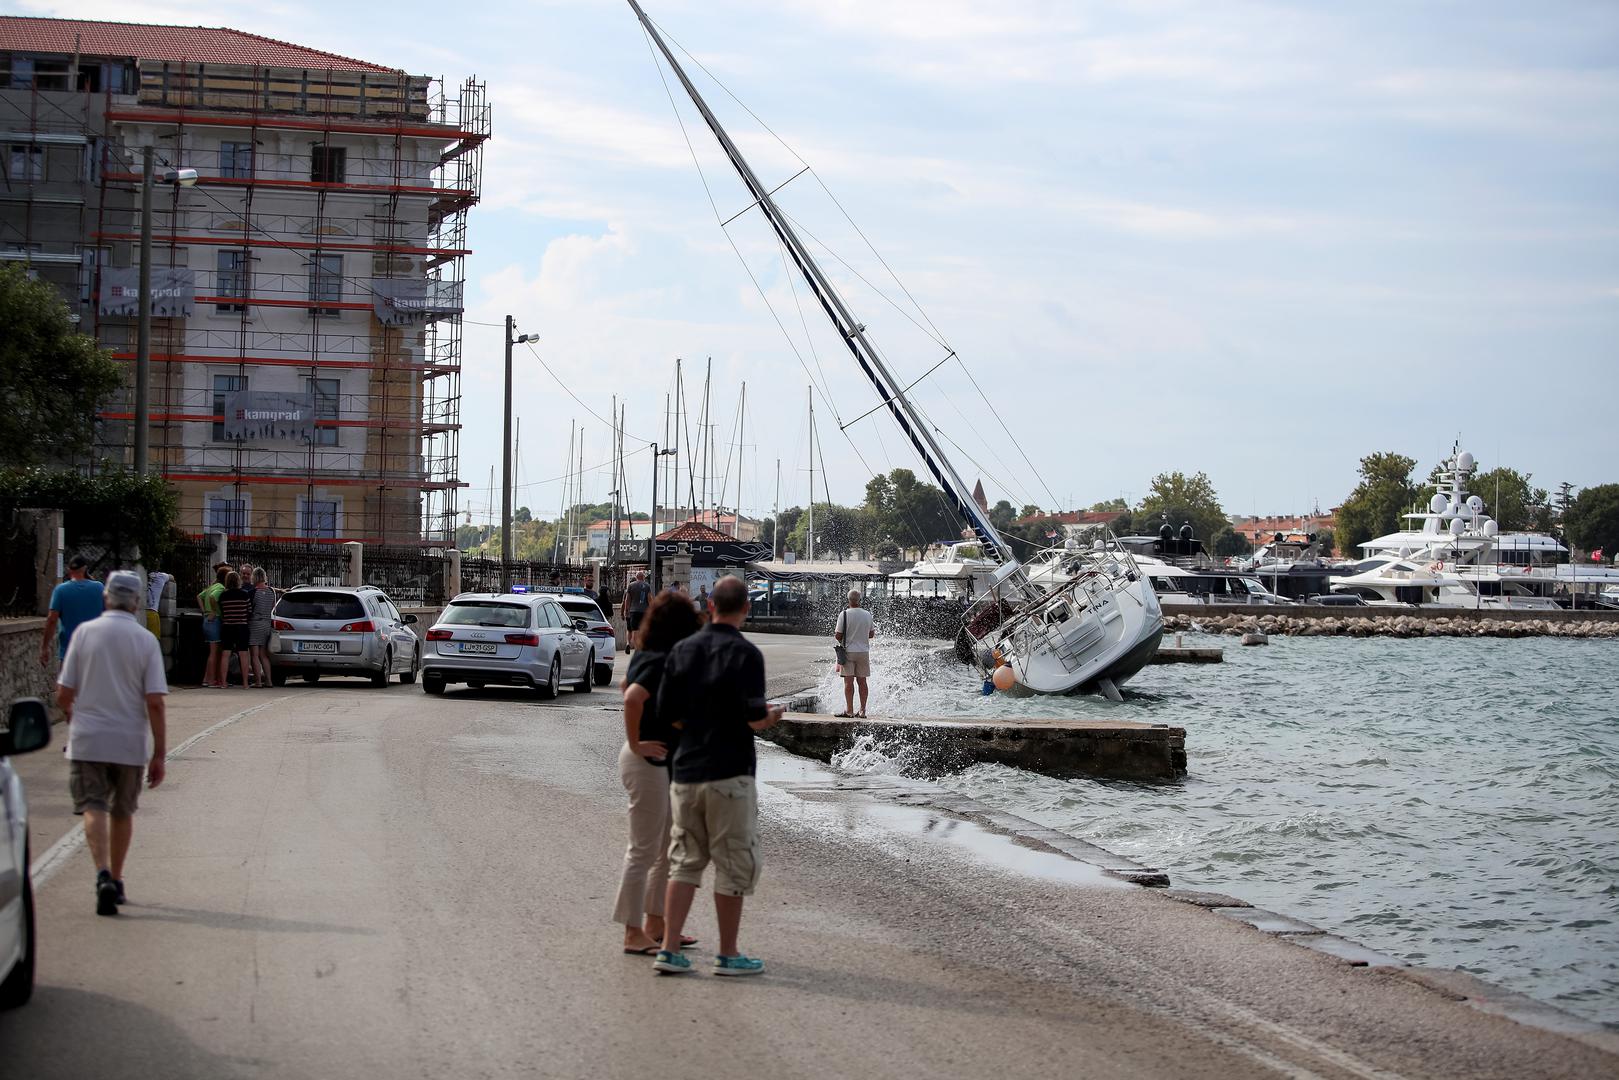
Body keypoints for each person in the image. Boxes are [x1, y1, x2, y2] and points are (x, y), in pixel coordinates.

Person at [651, 575, 783, 977]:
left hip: (686, 771)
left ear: (710, 607)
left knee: (685, 863)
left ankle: (669, 949)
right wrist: (773, 716)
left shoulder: (682, 651)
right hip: (730, 773)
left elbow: (667, 715)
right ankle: (728, 954)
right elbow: (756, 719)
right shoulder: (747, 655)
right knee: (733, 864)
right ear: (746, 608)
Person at [55, 570, 167, 916]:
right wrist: (159, 753)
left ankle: (101, 872)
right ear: (136, 602)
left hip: (88, 740)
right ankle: (117, 880)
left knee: (93, 807)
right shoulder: (145, 640)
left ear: (106, 598)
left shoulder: (85, 634)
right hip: (129, 744)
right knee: (122, 811)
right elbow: (155, 702)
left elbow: (63, 694)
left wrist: (78, 715)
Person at [614, 591, 703, 955]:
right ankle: (632, 931)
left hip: (657, 763)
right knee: (643, 851)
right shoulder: (660, 660)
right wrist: (637, 742)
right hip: (645, 762)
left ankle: (656, 923)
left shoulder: (650, 654)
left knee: (665, 849)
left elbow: (625, 686)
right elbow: (632, 696)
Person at [41, 555, 105, 667]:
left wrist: (45, 647)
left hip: (69, 652)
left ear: (69, 570)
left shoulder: (61, 590)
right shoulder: (99, 588)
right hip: (94, 652)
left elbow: (52, 619)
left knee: (67, 684)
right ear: (85, 569)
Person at [833, 589, 876, 719]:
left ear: (848, 600)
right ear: (859, 600)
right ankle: (862, 711)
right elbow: (871, 634)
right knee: (862, 682)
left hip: (848, 652)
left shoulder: (844, 614)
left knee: (848, 682)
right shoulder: (867, 614)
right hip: (863, 652)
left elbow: (838, 635)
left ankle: (850, 711)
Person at [218, 571, 253, 689]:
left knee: (225, 654)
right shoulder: (245, 594)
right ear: (238, 581)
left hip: (227, 626)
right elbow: (249, 611)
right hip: (242, 627)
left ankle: (223, 682)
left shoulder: (223, 595)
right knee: (243, 654)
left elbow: (222, 611)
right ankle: (245, 683)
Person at [198, 563, 229, 687]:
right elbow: (212, 597)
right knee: (214, 652)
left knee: (214, 652)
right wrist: (214, 611)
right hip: (214, 620)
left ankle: (208, 678)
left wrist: (204, 611)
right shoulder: (220, 588)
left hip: (207, 620)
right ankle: (211, 681)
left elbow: (199, 596)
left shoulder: (212, 586)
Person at [247, 567, 276, 688]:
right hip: (266, 623)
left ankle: (258, 681)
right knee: (263, 654)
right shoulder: (271, 591)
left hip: (255, 623)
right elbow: (273, 607)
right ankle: (269, 680)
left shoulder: (253, 592)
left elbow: (249, 609)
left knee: (254, 654)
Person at [622, 570, 651, 653]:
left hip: (633, 611)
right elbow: (649, 599)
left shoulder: (631, 585)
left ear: (636, 577)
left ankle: (634, 647)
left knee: (634, 630)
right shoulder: (647, 586)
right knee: (642, 630)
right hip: (644, 612)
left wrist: (626, 610)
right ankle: (640, 646)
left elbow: (627, 599)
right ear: (643, 577)